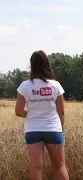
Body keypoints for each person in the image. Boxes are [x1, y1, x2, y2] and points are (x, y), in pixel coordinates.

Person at [15, 50, 69, 180]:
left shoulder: (24, 86)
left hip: (33, 129)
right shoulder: (55, 85)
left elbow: (19, 111)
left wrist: (31, 113)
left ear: (32, 65)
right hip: (53, 129)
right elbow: (61, 112)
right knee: (60, 166)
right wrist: (60, 127)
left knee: (36, 167)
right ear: (47, 64)